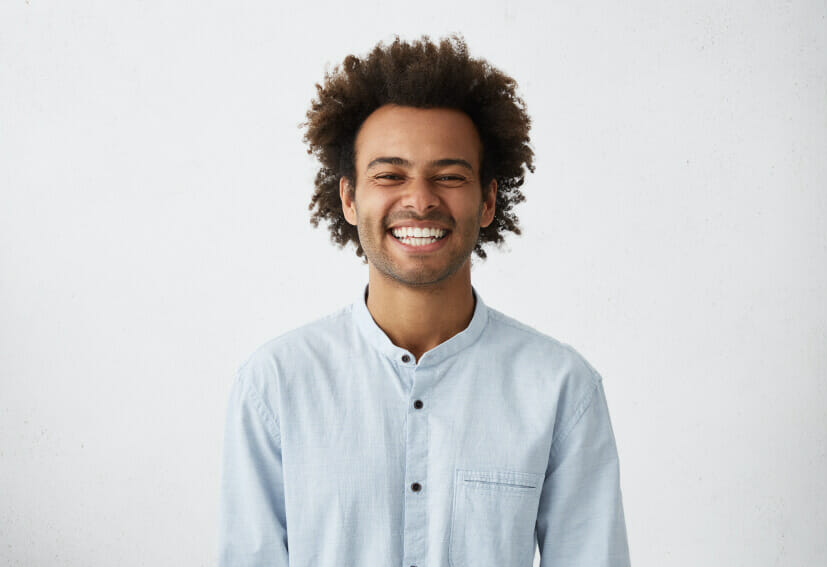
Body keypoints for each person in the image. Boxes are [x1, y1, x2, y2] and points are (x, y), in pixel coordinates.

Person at [217, 34, 630, 567]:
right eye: (390, 175)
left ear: (487, 201)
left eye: (449, 176)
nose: (419, 199)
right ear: (348, 198)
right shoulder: (273, 384)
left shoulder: (561, 389)